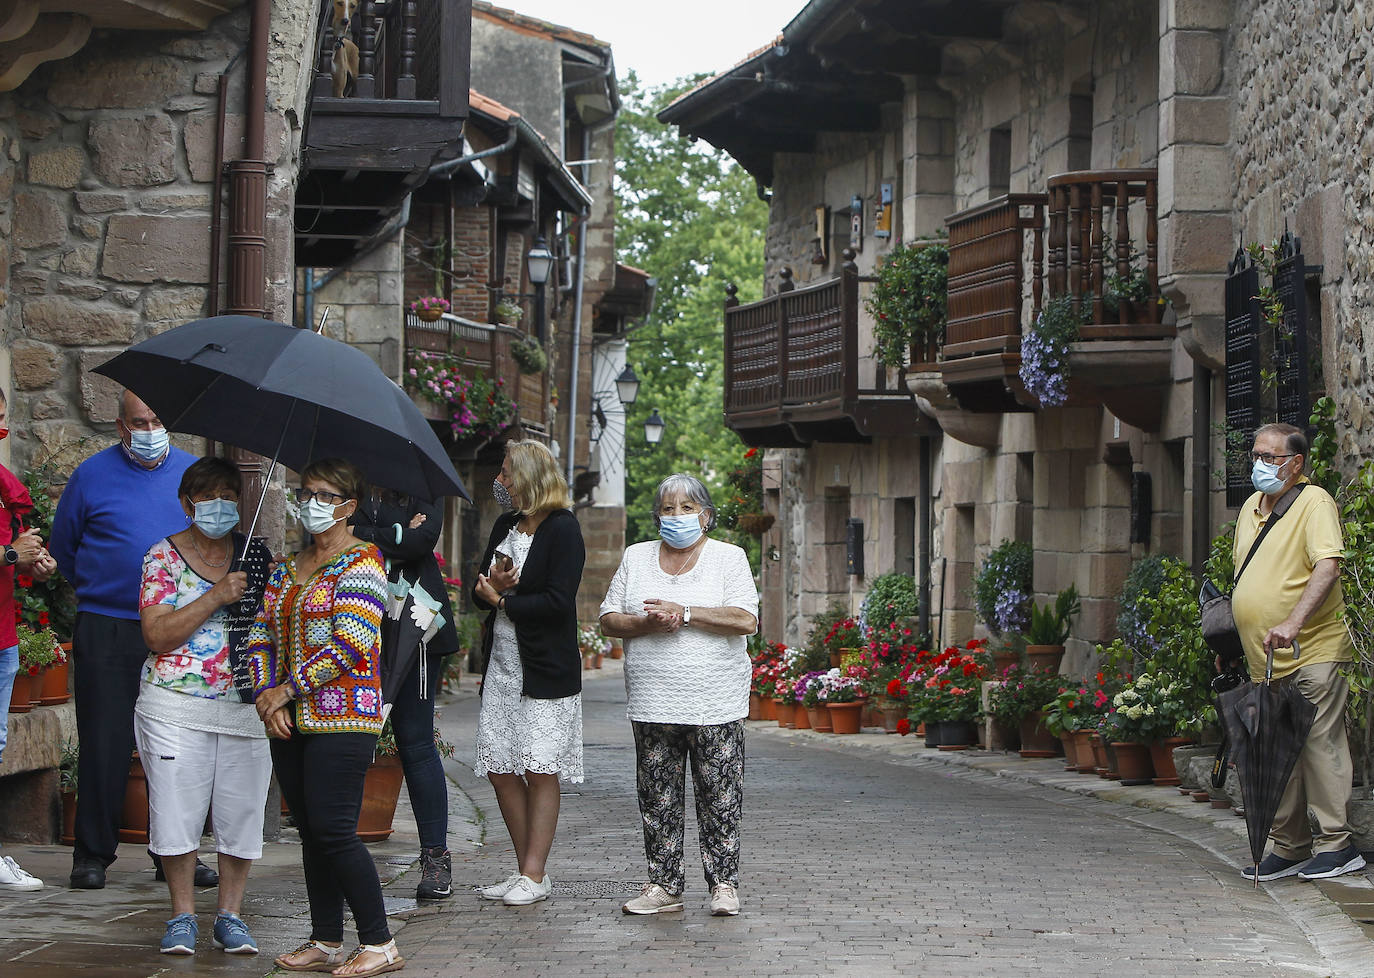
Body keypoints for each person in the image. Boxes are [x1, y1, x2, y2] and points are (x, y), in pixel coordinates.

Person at [49, 390, 220, 891]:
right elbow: (65, 547)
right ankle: (92, 855)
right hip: (108, 622)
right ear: (121, 426)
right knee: (104, 740)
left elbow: (213, 542)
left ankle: (175, 851)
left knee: (177, 746)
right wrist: (108, 589)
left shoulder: (195, 477)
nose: (149, 431)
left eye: (157, 420)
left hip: (177, 627)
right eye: (138, 423)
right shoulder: (91, 475)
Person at [247, 458, 405, 977]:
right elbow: (260, 636)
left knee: (336, 830)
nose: (312, 502)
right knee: (311, 832)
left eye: (325, 494)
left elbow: (352, 643)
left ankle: (380, 941)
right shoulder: (284, 569)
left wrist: (287, 691)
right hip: (290, 717)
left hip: (345, 718)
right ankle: (326, 937)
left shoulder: (364, 563)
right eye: (306, 492)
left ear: (348, 506)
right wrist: (268, 693)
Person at [599, 473, 758, 917]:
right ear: (657, 517)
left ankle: (724, 884)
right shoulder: (637, 557)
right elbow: (609, 619)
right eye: (668, 509)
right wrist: (647, 623)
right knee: (657, 797)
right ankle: (663, 886)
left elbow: (746, 619)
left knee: (720, 796)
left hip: (714, 701)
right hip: (653, 700)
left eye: (686, 508)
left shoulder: (729, 558)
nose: (676, 516)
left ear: (705, 516)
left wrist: (684, 613)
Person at [136, 457, 274, 954]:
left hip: (243, 703)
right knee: (177, 810)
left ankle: (231, 915)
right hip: (174, 705)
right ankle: (182, 915)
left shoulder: (256, 556)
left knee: (241, 813)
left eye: (228, 496)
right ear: (186, 503)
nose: (220, 506)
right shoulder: (162, 557)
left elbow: (272, 627)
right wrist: (215, 596)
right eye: (207, 496)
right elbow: (156, 634)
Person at [1232, 423, 1365, 882]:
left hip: (1314, 646)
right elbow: (1247, 578)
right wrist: (1232, 641)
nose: (1261, 465)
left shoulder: (1315, 502)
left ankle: (1337, 843)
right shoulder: (1251, 506)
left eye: (1271, 458)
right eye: (1257, 456)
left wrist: (1293, 622)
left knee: (1317, 740)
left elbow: (1327, 566)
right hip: (1263, 658)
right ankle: (1289, 846)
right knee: (1274, 747)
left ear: (1296, 463)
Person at [471, 440, 585, 907]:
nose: (501, 481)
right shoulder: (505, 525)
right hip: (502, 669)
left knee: (539, 768)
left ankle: (535, 873)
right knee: (500, 768)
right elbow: (480, 589)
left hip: (546, 670)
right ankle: (526, 872)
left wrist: (504, 602)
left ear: (531, 478)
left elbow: (559, 602)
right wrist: (491, 591)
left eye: (507, 473)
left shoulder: (564, 530)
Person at [350, 490, 459, 900]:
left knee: (414, 743)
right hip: (355, 615)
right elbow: (331, 532)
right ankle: (339, 854)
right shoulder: (350, 479)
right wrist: (392, 531)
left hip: (416, 624)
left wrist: (361, 531)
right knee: (347, 740)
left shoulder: (427, 485)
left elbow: (419, 542)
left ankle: (435, 857)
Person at [0, 386, 58, 891]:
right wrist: (8, 554)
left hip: (2, 636)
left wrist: (33, 566)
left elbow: (12, 559)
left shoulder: (3, 484)